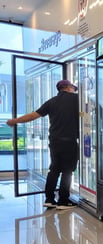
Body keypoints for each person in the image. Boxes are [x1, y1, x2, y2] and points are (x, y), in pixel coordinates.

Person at [7, 79, 79, 210]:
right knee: (67, 171)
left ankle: (50, 199)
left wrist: (15, 121)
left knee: (54, 170)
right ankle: (63, 201)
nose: (75, 90)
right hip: (69, 142)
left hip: (55, 142)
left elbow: (33, 115)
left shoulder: (52, 101)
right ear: (68, 87)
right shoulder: (77, 99)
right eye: (74, 87)